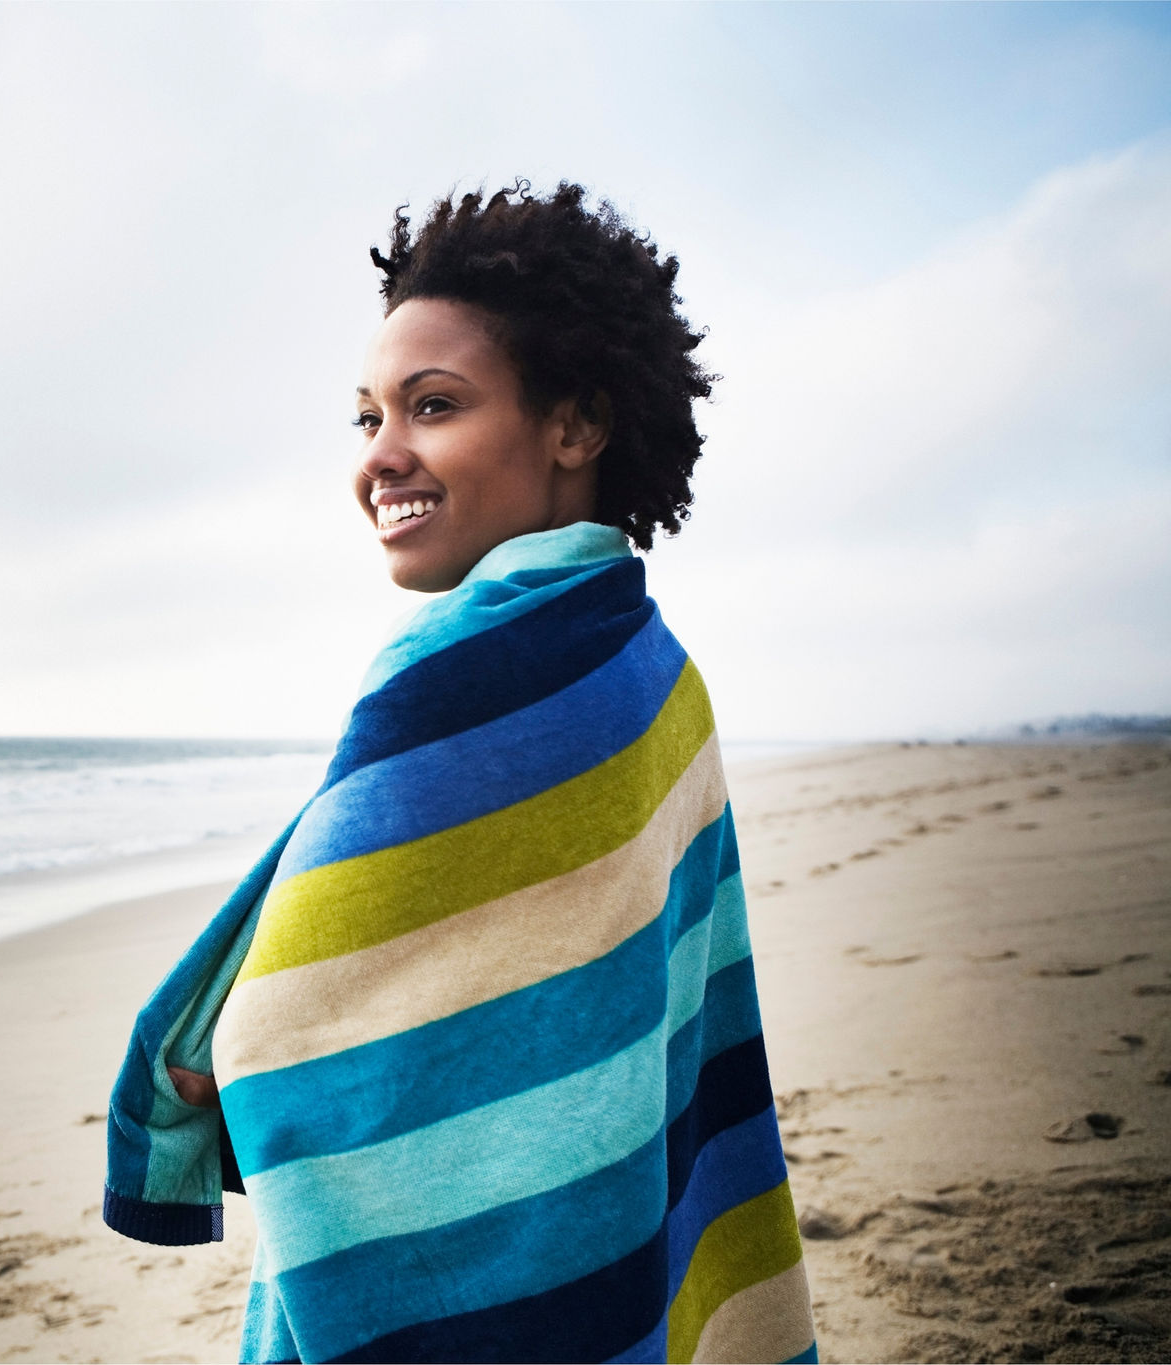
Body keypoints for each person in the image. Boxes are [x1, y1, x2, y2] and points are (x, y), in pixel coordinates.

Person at [101, 181, 818, 1365]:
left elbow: (279, 1032)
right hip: (613, 1230)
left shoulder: (456, 676)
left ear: (575, 427)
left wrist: (199, 1069)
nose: (379, 459)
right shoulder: (652, 671)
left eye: (430, 407)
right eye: (366, 418)